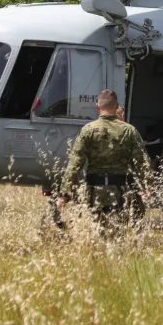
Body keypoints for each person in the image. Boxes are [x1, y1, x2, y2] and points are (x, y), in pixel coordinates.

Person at [57, 89, 150, 234]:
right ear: (116, 106)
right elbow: (143, 163)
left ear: (98, 106)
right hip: (120, 193)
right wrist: (147, 187)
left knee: (95, 234)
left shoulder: (88, 130)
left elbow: (74, 165)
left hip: (94, 193)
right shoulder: (129, 131)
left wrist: (64, 194)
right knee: (117, 235)